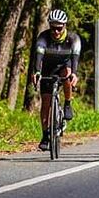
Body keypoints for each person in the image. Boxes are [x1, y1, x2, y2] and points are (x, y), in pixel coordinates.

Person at [32, 9, 82, 152]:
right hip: (47, 68)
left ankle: (67, 103)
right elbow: (39, 57)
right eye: (53, 28)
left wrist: (75, 74)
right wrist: (37, 72)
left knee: (67, 72)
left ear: (65, 26)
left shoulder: (73, 39)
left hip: (64, 66)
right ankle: (45, 135)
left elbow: (75, 60)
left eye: (59, 28)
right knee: (46, 102)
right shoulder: (43, 38)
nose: (56, 32)